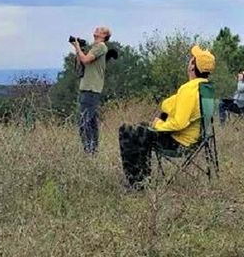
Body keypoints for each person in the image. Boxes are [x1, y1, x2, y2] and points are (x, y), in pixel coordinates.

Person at [118, 46, 216, 187]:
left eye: (191, 60)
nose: (189, 62)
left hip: (179, 143)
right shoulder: (205, 88)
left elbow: (178, 124)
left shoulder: (188, 90)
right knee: (142, 128)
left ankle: (137, 182)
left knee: (127, 130)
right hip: (194, 140)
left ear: (192, 67)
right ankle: (140, 178)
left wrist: (158, 125)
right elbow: (170, 104)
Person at [72, 26, 112, 154]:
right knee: (92, 122)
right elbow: (81, 63)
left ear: (104, 35)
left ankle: (88, 151)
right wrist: (78, 49)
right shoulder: (95, 48)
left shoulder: (100, 46)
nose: (96, 30)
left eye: (100, 30)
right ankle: (93, 150)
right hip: (90, 88)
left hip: (90, 88)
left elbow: (85, 59)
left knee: (84, 122)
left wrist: (77, 47)